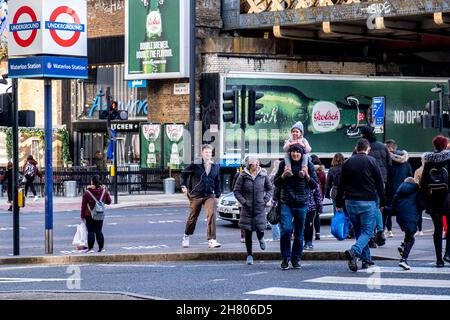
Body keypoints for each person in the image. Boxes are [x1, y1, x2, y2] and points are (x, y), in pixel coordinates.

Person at [336, 138, 385, 272]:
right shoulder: (372, 161)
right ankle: (354, 251)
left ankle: (366, 260)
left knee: (359, 232)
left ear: (356, 148)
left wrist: (339, 202)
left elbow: (341, 185)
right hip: (367, 201)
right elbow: (380, 183)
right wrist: (383, 201)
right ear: (368, 149)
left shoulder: (347, 162)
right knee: (367, 232)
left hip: (350, 202)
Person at [274, 144, 318, 270]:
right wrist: (283, 175)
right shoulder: (284, 164)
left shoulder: (308, 165)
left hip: (302, 203)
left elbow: (315, 185)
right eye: (293, 152)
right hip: (286, 202)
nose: (295, 154)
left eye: (298, 152)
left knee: (299, 233)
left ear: (302, 154)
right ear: (290, 153)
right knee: (286, 230)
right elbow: (275, 182)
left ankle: (296, 259)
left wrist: (307, 176)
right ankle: (286, 258)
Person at [233, 157, 274, 265]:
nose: (256, 165)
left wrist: (265, 200)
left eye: (257, 163)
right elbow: (236, 191)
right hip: (247, 208)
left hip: (260, 207)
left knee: (260, 228)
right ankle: (249, 255)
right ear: (249, 165)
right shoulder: (243, 176)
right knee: (248, 233)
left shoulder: (263, 175)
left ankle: (261, 239)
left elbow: (270, 189)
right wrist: (244, 202)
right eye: (254, 163)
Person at [180, 144, 222, 249]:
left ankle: (212, 240)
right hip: (196, 195)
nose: (208, 154)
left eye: (209, 152)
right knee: (193, 218)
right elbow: (183, 174)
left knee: (211, 215)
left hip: (209, 195)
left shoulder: (216, 166)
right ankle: (186, 235)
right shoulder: (195, 165)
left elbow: (217, 181)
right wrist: (183, 186)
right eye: (206, 152)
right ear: (202, 153)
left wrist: (217, 195)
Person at [420, 135, 450, 267]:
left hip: (434, 200)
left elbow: (423, 183)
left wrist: (425, 200)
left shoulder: (429, 161)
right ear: (445, 145)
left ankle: (439, 260)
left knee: (437, 229)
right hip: (448, 198)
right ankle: (448, 253)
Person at [384, 177, 424, 270]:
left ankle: (403, 247)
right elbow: (421, 205)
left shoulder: (398, 193)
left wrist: (384, 209)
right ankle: (403, 260)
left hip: (401, 219)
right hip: (412, 217)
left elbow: (392, 210)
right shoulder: (416, 192)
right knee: (411, 239)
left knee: (408, 235)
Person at [360, 126, 390, 247]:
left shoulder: (365, 147)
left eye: (362, 134)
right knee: (376, 207)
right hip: (381, 181)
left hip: (368, 182)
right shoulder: (383, 146)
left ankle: (371, 236)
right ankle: (381, 231)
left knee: (368, 208)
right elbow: (389, 163)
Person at [384, 140, 413, 238]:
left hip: (390, 188)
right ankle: (407, 230)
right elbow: (409, 173)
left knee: (387, 210)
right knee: (404, 209)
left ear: (389, 148)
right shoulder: (405, 159)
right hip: (403, 189)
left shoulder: (388, 159)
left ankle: (389, 230)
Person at [80, 175, 112, 253]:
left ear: (92, 182)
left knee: (91, 231)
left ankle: (90, 249)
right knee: (99, 231)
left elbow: (83, 205)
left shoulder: (87, 192)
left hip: (89, 214)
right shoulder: (104, 191)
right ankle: (101, 248)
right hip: (100, 214)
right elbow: (109, 201)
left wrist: (82, 216)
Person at [304, 177, 323, 250]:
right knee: (305, 225)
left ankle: (309, 242)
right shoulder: (300, 181)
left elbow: (318, 196)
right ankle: (306, 242)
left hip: (311, 208)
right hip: (303, 206)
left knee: (309, 224)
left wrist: (319, 208)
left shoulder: (314, 182)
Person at [310, 154, 325, 240]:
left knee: (310, 216)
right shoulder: (322, 172)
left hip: (310, 196)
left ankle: (309, 234)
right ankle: (318, 234)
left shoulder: (309, 170)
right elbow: (324, 185)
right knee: (317, 215)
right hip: (319, 195)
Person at [413, 153, 426, 236]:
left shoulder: (418, 171)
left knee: (419, 213)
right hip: (431, 194)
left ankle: (420, 230)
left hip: (421, 194)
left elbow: (415, 183)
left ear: (422, 160)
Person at [268, 160, 281, 241]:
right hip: (281, 199)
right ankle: (280, 236)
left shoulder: (272, 175)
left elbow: (268, 187)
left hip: (273, 200)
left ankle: (276, 237)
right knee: (280, 219)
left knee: (274, 218)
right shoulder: (281, 174)